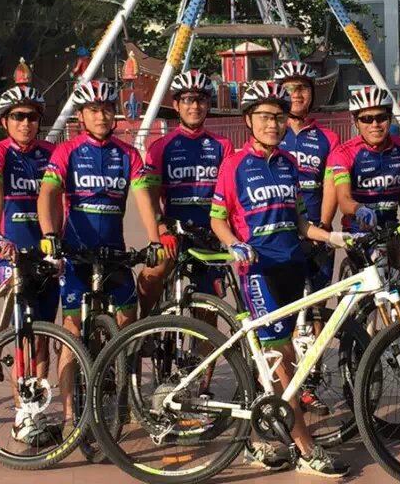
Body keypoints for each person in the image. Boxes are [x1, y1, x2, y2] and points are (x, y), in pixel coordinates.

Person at [210, 81, 350, 477]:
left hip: (292, 267)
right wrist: (234, 243)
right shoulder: (234, 165)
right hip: (258, 271)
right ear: (248, 120)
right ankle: (306, 449)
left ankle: (258, 439)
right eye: (265, 117)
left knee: (281, 359)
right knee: (280, 361)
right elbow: (217, 219)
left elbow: (302, 222)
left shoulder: (289, 163)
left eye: (279, 117)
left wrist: (336, 237)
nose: (273, 124)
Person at [37, 79, 169, 425]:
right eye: (94, 110)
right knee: (71, 332)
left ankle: (127, 395)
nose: (101, 116)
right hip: (77, 254)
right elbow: (47, 193)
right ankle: (70, 416)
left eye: (107, 109)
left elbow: (143, 198)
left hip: (113, 254)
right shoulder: (66, 152)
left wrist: (154, 239)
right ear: (81, 116)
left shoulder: (128, 155)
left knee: (128, 323)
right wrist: (49, 234)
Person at [0, 84, 58, 445]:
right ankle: (22, 413)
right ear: (5, 121)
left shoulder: (51, 153)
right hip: (10, 250)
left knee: (43, 332)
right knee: (23, 332)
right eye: (18, 117)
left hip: (44, 252)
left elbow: (59, 200)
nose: (26, 123)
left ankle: (36, 407)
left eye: (32, 117)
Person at [136, 69, 234, 317]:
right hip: (173, 231)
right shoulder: (161, 146)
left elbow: (230, 193)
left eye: (201, 100)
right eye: (188, 100)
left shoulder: (223, 146)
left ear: (208, 104)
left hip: (209, 233)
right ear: (176, 105)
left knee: (209, 313)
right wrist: (160, 229)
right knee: (152, 274)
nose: (195, 107)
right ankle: (146, 323)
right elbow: (150, 196)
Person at [273, 60, 340, 415]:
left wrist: (324, 226)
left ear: (312, 93)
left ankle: (310, 379)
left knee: (316, 308)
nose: (296, 95)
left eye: (302, 88)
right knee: (282, 311)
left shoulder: (327, 138)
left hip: (316, 232)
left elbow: (331, 184)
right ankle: (283, 381)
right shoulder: (271, 130)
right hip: (280, 234)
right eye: (288, 89)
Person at [326, 86, 400, 283]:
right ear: (356, 122)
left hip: (391, 228)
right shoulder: (344, 153)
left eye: (381, 117)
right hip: (358, 231)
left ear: (390, 119)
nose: (375, 124)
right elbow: (344, 200)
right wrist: (359, 209)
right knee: (378, 276)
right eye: (367, 119)